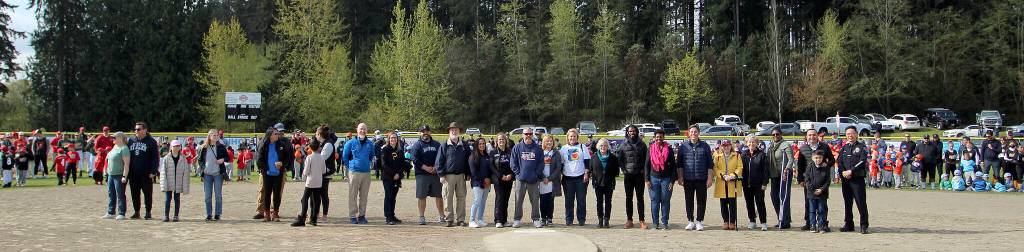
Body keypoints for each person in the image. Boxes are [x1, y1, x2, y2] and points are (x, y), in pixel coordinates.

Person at [435, 122, 472, 227]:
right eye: (452, 130)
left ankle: (460, 219)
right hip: (448, 176)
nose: (454, 131)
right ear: (449, 132)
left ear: (459, 131)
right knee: (447, 198)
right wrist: (441, 175)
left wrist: (468, 173)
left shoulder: (464, 145)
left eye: (456, 130)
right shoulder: (444, 145)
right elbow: (439, 161)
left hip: (461, 176)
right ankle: (449, 219)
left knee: (461, 198)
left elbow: (469, 160)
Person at [678, 125, 714, 231]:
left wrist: (710, 178)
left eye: (695, 132)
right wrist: (680, 177)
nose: (693, 133)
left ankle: (699, 221)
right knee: (688, 200)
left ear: (699, 133)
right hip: (688, 178)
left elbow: (710, 164)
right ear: (689, 133)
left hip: (701, 178)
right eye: (692, 132)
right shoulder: (683, 146)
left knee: (701, 201)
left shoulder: (705, 146)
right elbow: (679, 164)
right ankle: (690, 221)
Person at [796, 129, 834, 231]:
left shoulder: (825, 146)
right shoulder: (803, 148)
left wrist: (827, 164)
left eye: (813, 135)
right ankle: (809, 222)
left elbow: (832, 160)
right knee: (808, 202)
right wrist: (800, 179)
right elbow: (799, 165)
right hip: (809, 181)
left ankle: (823, 224)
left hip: (822, 180)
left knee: (822, 204)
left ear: (817, 136)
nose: (811, 137)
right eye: (809, 135)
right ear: (806, 137)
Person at [410, 125, 445, 225]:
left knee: (439, 195)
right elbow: (415, 159)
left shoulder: (436, 144)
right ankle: (421, 217)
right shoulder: (417, 145)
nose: (425, 133)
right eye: (423, 131)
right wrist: (426, 168)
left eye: (427, 131)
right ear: (420, 133)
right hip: (422, 174)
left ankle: (442, 216)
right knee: (422, 196)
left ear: (430, 132)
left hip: (435, 173)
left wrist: (435, 167)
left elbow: (441, 157)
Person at [510, 127, 545, 228]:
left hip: (533, 180)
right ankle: (517, 219)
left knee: (534, 200)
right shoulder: (517, 147)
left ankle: (535, 219)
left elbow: (541, 163)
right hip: (520, 179)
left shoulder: (537, 148)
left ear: (532, 134)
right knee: (518, 200)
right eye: (526, 134)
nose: (528, 136)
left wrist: (536, 174)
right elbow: (513, 163)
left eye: (530, 134)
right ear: (522, 135)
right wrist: (519, 174)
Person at [837, 126, 870, 234]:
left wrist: (851, 171)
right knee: (847, 202)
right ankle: (849, 224)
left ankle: (864, 225)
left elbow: (862, 161)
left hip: (857, 179)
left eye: (852, 133)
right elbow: (840, 161)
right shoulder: (844, 148)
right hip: (846, 180)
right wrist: (843, 172)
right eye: (848, 134)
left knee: (861, 202)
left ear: (856, 134)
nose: (850, 136)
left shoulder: (862, 147)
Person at [256, 127, 293, 221]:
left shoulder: (281, 144)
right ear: (270, 135)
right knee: (266, 193)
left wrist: (282, 164)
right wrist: (265, 168)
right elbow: (259, 159)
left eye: (278, 133)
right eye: (275, 134)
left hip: (278, 173)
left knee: (277, 193)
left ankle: (275, 213)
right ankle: (267, 214)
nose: (278, 135)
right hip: (267, 173)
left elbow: (287, 157)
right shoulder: (264, 144)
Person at [615, 125, 648, 229]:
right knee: (628, 198)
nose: (632, 132)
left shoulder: (642, 144)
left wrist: (643, 170)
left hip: (639, 175)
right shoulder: (623, 145)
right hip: (628, 175)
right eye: (630, 131)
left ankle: (642, 220)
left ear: (637, 132)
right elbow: (620, 160)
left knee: (640, 198)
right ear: (627, 132)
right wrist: (624, 171)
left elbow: (646, 160)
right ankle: (629, 220)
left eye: (633, 131)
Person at [342, 123, 376, 224]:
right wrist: (351, 166)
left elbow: (371, 156)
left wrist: (364, 164)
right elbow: (345, 157)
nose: (362, 131)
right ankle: (353, 215)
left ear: (367, 130)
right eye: (361, 129)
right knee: (353, 195)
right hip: (354, 172)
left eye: (364, 129)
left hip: (366, 172)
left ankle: (362, 215)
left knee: (364, 195)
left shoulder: (370, 144)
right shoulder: (350, 143)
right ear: (357, 130)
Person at [127, 122, 160, 220]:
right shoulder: (131, 141)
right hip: (133, 173)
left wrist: (153, 171)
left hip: (146, 173)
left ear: (145, 130)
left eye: (138, 129)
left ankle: (148, 212)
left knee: (147, 193)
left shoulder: (151, 142)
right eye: (135, 129)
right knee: (134, 193)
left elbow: (155, 158)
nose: (136, 131)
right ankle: (136, 212)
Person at [646, 130, 676, 230]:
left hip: (666, 179)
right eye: (657, 137)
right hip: (653, 178)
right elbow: (647, 165)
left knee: (665, 201)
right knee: (654, 201)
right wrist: (647, 179)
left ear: (664, 137)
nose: (658, 138)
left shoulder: (669, 149)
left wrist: (672, 181)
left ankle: (665, 222)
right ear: (654, 138)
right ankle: (655, 223)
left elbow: (673, 167)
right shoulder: (650, 149)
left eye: (660, 137)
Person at [560, 128, 591, 226]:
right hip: (567, 178)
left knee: (581, 200)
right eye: (570, 136)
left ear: (577, 137)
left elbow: (587, 162)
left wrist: (586, 173)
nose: (572, 138)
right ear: (567, 138)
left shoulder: (582, 147)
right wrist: (560, 174)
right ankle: (569, 219)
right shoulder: (563, 148)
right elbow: (561, 163)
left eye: (574, 136)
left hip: (581, 178)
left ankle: (581, 219)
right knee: (569, 200)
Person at [765, 128, 795, 229]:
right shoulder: (770, 146)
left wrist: (786, 170)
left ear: (781, 135)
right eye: (773, 135)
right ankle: (781, 217)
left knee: (784, 197)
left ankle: (785, 221)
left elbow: (791, 159)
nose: (775, 136)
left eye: (777, 134)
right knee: (774, 196)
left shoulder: (785, 145)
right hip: (774, 175)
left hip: (784, 175)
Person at [198, 129, 229, 221]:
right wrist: (204, 167)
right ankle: (209, 214)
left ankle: (218, 214)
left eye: (217, 135)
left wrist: (222, 160)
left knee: (218, 195)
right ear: (209, 136)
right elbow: (200, 160)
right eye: (214, 135)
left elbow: (228, 157)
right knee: (207, 196)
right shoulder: (203, 147)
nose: (216, 137)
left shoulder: (221, 147)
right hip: (207, 174)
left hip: (218, 174)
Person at [292, 140, 325, 227]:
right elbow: (324, 170)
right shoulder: (321, 157)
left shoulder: (309, 157)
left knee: (304, 199)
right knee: (316, 200)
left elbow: (306, 171)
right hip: (319, 181)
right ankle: (314, 219)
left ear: (310, 148)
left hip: (310, 181)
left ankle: (302, 218)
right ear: (319, 148)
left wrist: (303, 177)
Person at [379, 132, 409, 225]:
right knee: (388, 196)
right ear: (388, 139)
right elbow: (384, 165)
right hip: (387, 177)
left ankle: (392, 215)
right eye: (391, 138)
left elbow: (403, 164)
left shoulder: (399, 150)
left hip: (397, 177)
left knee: (393, 197)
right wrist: (393, 174)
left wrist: (399, 174)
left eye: (395, 138)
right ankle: (388, 217)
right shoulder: (385, 150)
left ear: (397, 139)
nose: (393, 139)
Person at [741, 134, 770, 231]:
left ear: (757, 143)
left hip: (759, 184)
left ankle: (763, 222)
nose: (751, 143)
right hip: (746, 184)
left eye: (753, 142)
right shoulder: (743, 155)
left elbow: (766, 170)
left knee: (760, 203)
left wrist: (765, 183)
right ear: (746, 143)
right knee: (749, 203)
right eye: (749, 142)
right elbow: (741, 169)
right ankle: (752, 221)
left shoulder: (762, 155)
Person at [590, 138, 619, 228]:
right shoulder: (594, 157)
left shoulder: (613, 157)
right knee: (599, 202)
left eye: (605, 145)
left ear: (608, 147)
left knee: (608, 202)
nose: (603, 147)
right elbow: (591, 170)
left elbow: (616, 171)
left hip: (609, 183)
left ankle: (606, 220)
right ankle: (600, 220)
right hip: (598, 183)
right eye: (601, 145)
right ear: (598, 147)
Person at [713, 140, 742, 230]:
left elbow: (740, 167)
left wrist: (732, 175)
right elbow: (715, 168)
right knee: (723, 204)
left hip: (732, 182)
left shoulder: (737, 155)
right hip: (722, 182)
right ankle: (726, 221)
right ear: (722, 147)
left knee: (732, 203)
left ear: (730, 146)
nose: (726, 147)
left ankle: (732, 222)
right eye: (724, 145)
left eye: (728, 145)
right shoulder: (717, 157)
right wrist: (722, 175)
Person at [159, 140, 190, 222]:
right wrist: (163, 184)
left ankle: (176, 215)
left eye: (178, 146)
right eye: (174, 146)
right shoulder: (166, 158)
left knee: (177, 199)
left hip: (178, 181)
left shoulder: (183, 158)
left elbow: (186, 172)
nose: (176, 148)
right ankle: (166, 215)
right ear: (171, 147)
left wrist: (185, 184)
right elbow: (163, 172)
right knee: (167, 199)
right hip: (169, 181)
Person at [102, 132, 130, 220]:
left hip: (119, 175)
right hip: (111, 174)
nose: (113, 139)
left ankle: (122, 212)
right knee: (111, 193)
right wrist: (105, 170)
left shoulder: (124, 148)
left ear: (120, 138)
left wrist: (124, 176)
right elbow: (108, 159)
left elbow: (126, 164)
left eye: (115, 137)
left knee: (120, 194)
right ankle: (111, 212)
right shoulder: (114, 147)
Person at [489, 133, 515, 228]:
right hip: (498, 180)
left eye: (503, 139)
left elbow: (513, 164)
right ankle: (498, 220)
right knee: (500, 199)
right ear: (497, 141)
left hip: (509, 179)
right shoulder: (493, 152)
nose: (501, 141)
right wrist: (500, 176)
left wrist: (511, 175)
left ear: (506, 141)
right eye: (499, 139)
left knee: (506, 200)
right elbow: (491, 166)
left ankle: (504, 220)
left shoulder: (510, 151)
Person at [312, 125, 337, 221]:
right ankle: (316, 213)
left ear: (319, 134)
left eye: (316, 134)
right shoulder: (322, 143)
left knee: (323, 194)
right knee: (317, 194)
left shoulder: (328, 144)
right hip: (320, 172)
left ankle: (325, 215)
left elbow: (321, 159)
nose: (315, 136)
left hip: (326, 172)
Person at [538, 134, 563, 227]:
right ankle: (543, 218)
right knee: (543, 200)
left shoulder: (556, 153)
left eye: (550, 141)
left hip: (552, 181)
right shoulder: (540, 152)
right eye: (547, 141)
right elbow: (537, 166)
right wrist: (543, 177)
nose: (549, 143)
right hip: (542, 181)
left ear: (553, 142)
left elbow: (558, 168)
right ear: (544, 142)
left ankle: (550, 218)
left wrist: (549, 178)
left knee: (550, 201)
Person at [805, 149, 832, 233]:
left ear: (822, 158)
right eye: (816, 158)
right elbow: (807, 179)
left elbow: (828, 181)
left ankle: (821, 226)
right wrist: (813, 190)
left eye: (820, 157)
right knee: (812, 210)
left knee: (821, 210)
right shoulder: (809, 167)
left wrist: (821, 189)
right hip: (812, 193)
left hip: (822, 194)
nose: (818, 159)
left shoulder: (825, 167)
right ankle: (813, 225)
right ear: (813, 158)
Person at [468, 137, 492, 228]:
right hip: (477, 183)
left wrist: (489, 179)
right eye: (480, 144)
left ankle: (480, 219)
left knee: (483, 202)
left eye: (483, 144)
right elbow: (473, 172)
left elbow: (490, 169)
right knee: (477, 201)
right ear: (476, 145)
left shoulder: (487, 156)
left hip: (487, 183)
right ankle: (471, 220)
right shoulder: (472, 156)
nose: (482, 145)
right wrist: (483, 180)